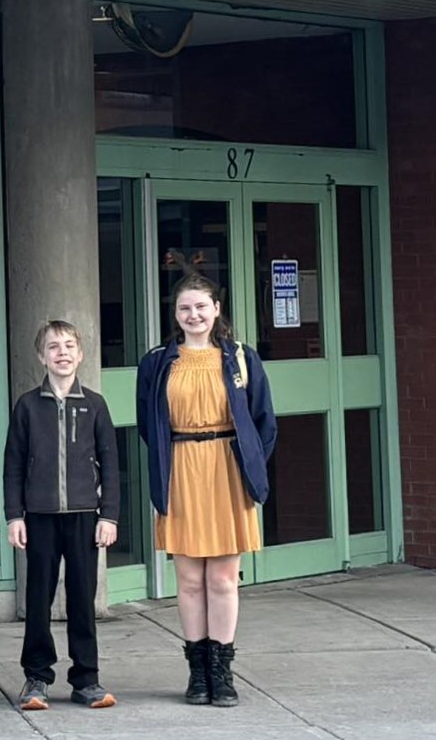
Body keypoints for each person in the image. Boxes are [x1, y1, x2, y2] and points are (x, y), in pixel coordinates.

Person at [135, 273, 277, 708]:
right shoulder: (158, 361)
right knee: (190, 580)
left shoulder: (241, 358)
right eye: (184, 308)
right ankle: (197, 674)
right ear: (175, 315)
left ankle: (222, 672)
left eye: (201, 306)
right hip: (181, 468)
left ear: (217, 309)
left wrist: (248, 464)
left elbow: (263, 422)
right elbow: (148, 422)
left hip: (226, 470)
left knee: (221, 578)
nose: (193, 315)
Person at [4, 320, 120, 711]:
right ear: (42, 356)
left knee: (82, 599)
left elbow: (110, 461)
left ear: (81, 353)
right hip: (39, 516)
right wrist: (13, 515)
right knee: (38, 597)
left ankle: (86, 678)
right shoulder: (27, 405)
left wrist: (110, 516)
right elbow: (14, 464)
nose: (62, 352)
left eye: (69, 345)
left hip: (86, 515)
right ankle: (37, 677)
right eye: (53, 347)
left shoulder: (94, 404)